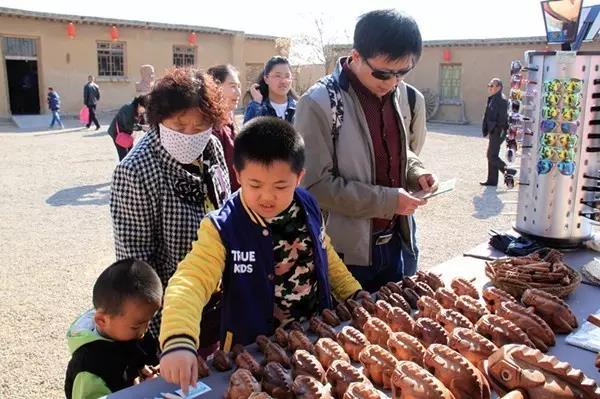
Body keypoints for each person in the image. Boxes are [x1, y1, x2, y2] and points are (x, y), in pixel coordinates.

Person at [159, 117, 363, 393]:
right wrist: (178, 339)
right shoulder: (223, 227)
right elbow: (191, 280)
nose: (267, 197)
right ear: (238, 174)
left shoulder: (308, 205)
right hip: (255, 355)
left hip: (312, 337)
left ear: (299, 177)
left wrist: (352, 292)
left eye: (281, 186)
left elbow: (324, 252)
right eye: (254, 185)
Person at [294, 9, 437, 292]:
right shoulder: (319, 103)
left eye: (403, 72)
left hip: (395, 243)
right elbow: (313, 186)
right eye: (383, 73)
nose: (392, 82)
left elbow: (399, 153)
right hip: (344, 255)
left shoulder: (402, 95)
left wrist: (415, 172)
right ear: (356, 56)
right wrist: (387, 201)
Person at [110, 67, 231, 359]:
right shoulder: (135, 171)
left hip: (220, 299)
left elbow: (226, 207)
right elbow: (137, 267)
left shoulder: (211, 146)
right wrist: (165, 337)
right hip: (175, 312)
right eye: (179, 126)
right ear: (158, 120)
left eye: (200, 125)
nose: (190, 135)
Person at [64, 259, 162, 399]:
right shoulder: (90, 369)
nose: (144, 331)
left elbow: (141, 358)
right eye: (136, 326)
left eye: (148, 322)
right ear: (102, 320)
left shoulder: (129, 329)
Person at [207, 64, 242, 191]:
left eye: (239, 86)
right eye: (233, 86)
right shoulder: (210, 127)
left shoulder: (229, 121)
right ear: (216, 87)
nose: (238, 92)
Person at [243, 56, 297, 124]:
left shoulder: (299, 109)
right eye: (278, 76)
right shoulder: (259, 108)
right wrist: (256, 102)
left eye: (287, 76)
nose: (283, 81)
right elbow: (247, 132)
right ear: (266, 79)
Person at [481, 78, 514, 186]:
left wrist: (495, 128)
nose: (490, 87)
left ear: (498, 87)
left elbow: (503, 118)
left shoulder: (501, 100)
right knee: (492, 154)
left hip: (498, 131)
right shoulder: (494, 98)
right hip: (494, 131)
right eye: (489, 85)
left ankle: (508, 171)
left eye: (492, 85)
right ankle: (492, 180)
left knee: (491, 155)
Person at [107, 95, 147, 161]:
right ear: (139, 104)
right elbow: (128, 125)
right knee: (123, 156)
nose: (145, 110)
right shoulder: (128, 108)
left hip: (127, 135)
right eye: (145, 108)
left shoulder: (140, 111)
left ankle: (128, 169)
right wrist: (142, 127)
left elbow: (143, 122)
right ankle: (121, 169)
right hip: (118, 134)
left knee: (130, 154)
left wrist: (147, 127)